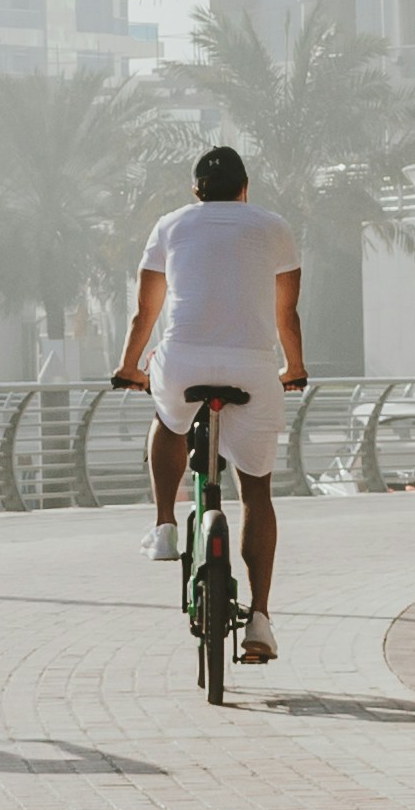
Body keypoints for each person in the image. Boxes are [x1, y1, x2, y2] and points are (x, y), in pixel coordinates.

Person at [108, 143, 305, 662]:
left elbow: (144, 315)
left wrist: (130, 368)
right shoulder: (272, 226)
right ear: (245, 191)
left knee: (168, 421)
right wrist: (295, 370)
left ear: (196, 192)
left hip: (184, 362)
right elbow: (288, 317)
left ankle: (164, 526)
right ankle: (260, 619)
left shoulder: (171, 225)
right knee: (257, 492)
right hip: (253, 367)